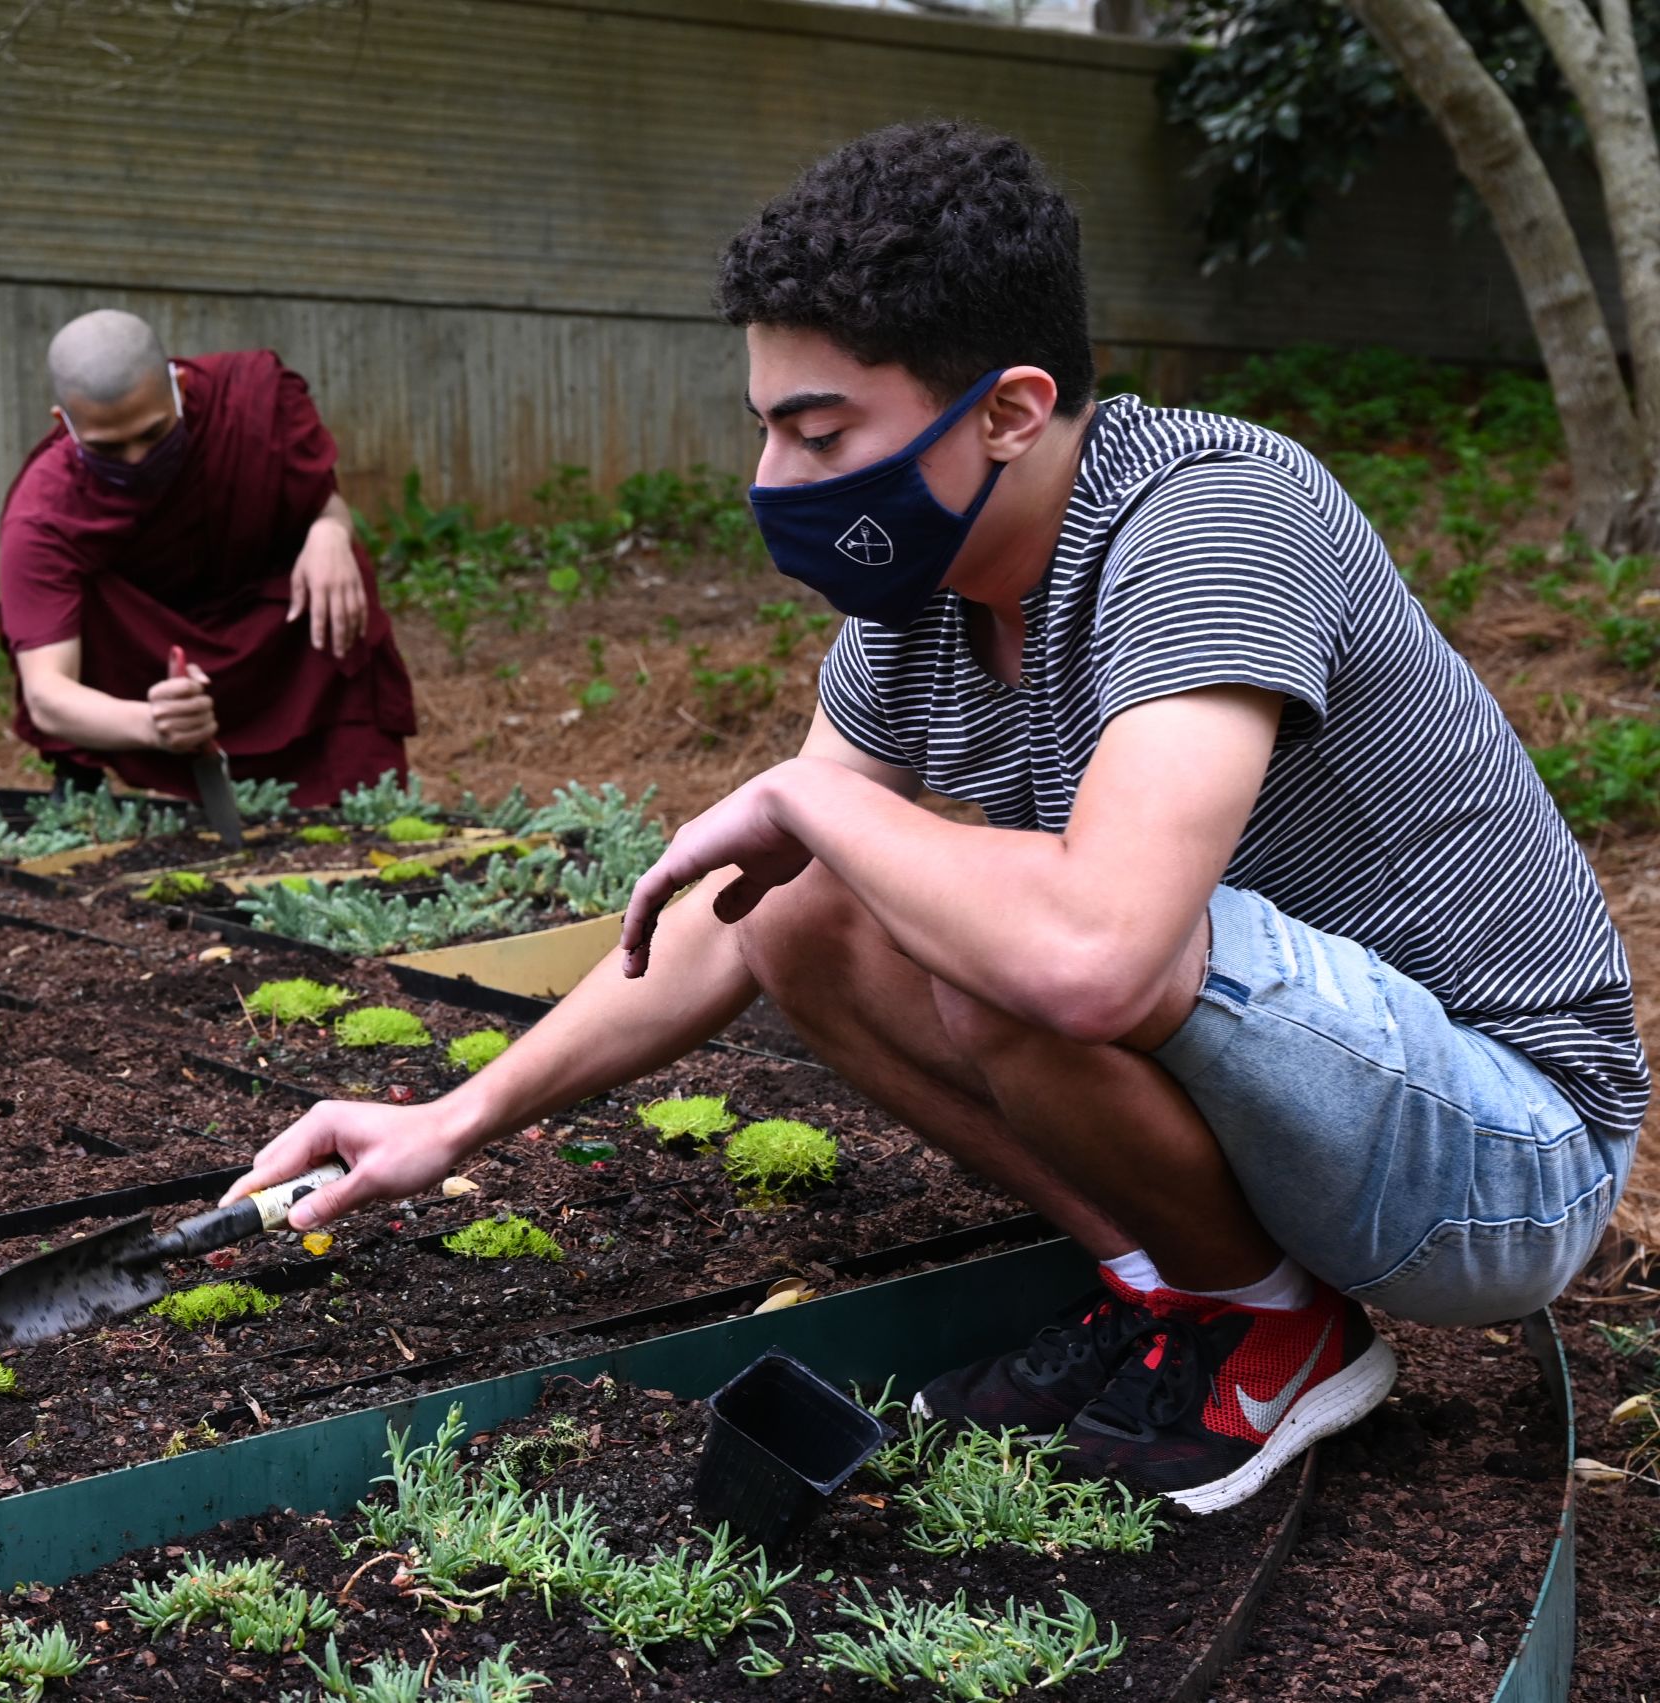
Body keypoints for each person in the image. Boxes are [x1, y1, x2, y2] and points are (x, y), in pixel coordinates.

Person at [220, 121, 1646, 1514]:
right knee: (810, 904)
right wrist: (453, 1120)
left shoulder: (1212, 519)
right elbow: (744, 918)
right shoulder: (927, 598)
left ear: (1014, 410)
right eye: (765, 428)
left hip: (1502, 1157)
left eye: (819, 429)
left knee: (1020, 916)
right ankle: (1188, 1293)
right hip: (1302, 1087)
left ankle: (1283, 1336)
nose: (773, 481)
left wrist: (804, 795)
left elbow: (1092, 954)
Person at [0, 310, 417, 807]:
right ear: (63, 424)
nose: (136, 460)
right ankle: (83, 793)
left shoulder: (252, 399)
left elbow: (315, 497)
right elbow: (48, 694)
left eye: (153, 435)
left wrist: (329, 531)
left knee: (339, 566)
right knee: (75, 604)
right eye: (109, 448)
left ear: (180, 386)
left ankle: (365, 803)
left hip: (269, 630)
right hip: (143, 660)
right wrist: (152, 724)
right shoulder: (44, 512)